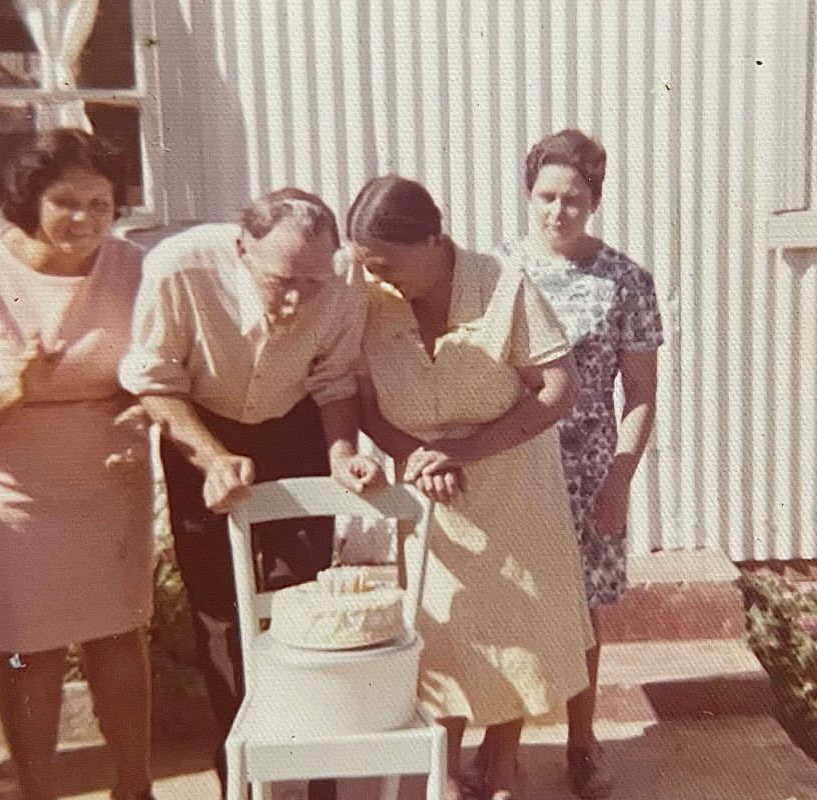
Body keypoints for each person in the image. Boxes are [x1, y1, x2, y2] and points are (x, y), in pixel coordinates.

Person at [118, 188, 382, 800]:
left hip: (293, 428)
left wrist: (343, 454)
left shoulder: (342, 278)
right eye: (283, 280)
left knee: (303, 602)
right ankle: (242, 774)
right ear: (242, 248)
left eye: (313, 283)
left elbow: (335, 380)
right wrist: (210, 457)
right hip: (202, 424)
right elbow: (153, 380)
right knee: (219, 609)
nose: (297, 299)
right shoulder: (178, 267)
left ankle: (315, 776)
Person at [348, 176, 596, 800]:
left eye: (387, 263)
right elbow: (364, 403)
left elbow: (559, 390)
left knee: (516, 618)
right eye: (366, 264)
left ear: (433, 239)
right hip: (430, 492)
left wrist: (462, 451)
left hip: (512, 477)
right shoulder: (370, 299)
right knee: (443, 628)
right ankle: (446, 762)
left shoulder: (501, 285)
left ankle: (504, 758)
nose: (377, 276)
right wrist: (415, 456)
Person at [0, 128, 156, 800]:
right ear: (26, 200)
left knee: (118, 639)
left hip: (109, 479)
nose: (85, 219)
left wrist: (142, 408)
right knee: (24, 652)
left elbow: (158, 364)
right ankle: (37, 790)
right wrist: (18, 386)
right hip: (11, 492)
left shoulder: (132, 266)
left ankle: (136, 789)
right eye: (67, 202)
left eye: (100, 204)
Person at [496, 129, 664, 799]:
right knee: (507, 601)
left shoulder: (625, 281)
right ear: (528, 194)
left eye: (572, 199)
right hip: (509, 461)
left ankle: (581, 742)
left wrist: (620, 476)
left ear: (595, 200)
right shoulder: (498, 270)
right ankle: (500, 749)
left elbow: (642, 395)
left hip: (587, 466)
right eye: (545, 197)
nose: (556, 212)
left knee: (582, 609)